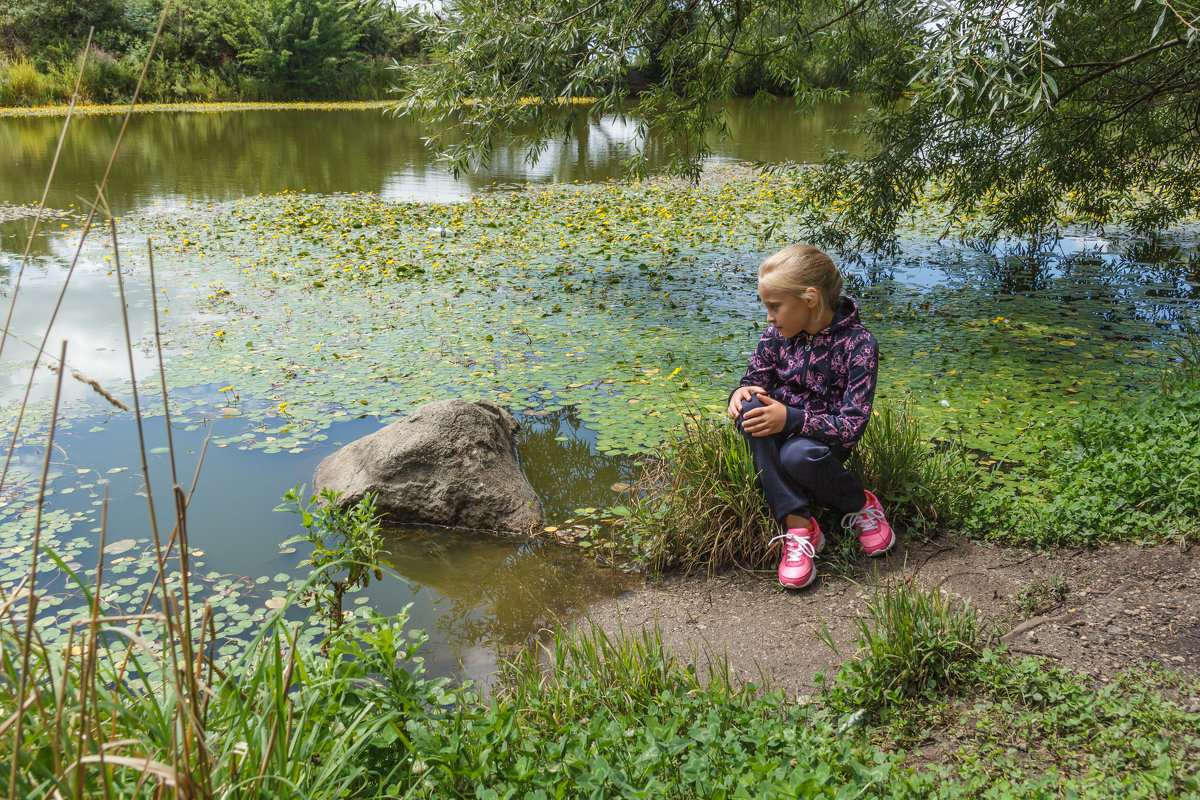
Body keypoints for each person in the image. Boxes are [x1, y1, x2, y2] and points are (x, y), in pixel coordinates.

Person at [727, 244, 895, 589]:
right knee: (749, 409)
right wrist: (740, 393)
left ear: (810, 298)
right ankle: (799, 526)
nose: (769, 318)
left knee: (798, 454)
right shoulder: (777, 335)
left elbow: (850, 428)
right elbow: (755, 379)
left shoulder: (860, 345)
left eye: (774, 307)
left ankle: (859, 504)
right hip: (774, 436)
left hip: (821, 445)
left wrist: (791, 418)